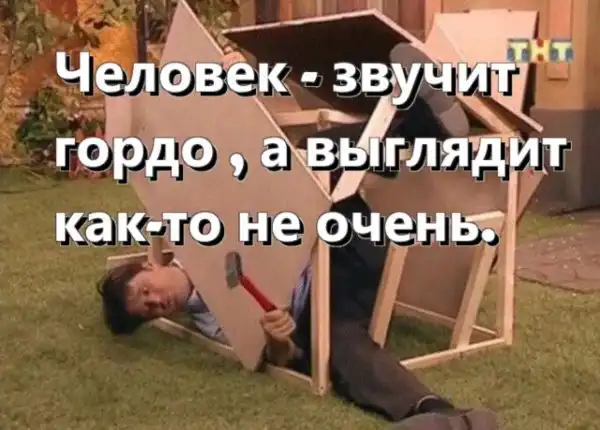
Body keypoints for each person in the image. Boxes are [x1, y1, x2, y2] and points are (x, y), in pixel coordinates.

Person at [98, 44, 497, 430]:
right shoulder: (214, 324)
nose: (156, 302)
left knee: (309, 154)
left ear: (149, 265)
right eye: (150, 311)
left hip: (333, 231)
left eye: (145, 291)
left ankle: (419, 121)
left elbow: (222, 153)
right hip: (335, 286)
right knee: (335, 346)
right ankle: (439, 414)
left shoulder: (194, 221)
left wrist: (232, 86)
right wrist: (278, 340)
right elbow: (282, 356)